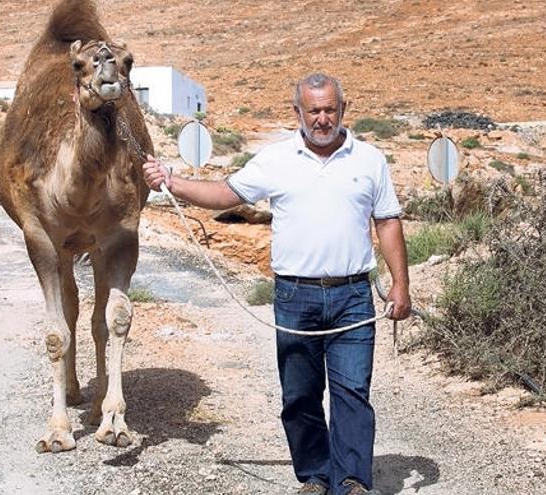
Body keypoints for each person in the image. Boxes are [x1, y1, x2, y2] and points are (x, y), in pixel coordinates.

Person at [143, 73, 410, 495]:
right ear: (298, 112)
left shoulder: (370, 160)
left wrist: (400, 285)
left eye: (330, 110)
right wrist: (172, 183)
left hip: (353, 296)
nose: (322, 119)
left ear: (344, 109)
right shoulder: (276, 159)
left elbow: (388, 221)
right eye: (314, 111)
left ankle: (352, 480)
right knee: (300, 396)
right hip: (295, 296)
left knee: (352, 393)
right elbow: (225, 194)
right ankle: (317, 476)